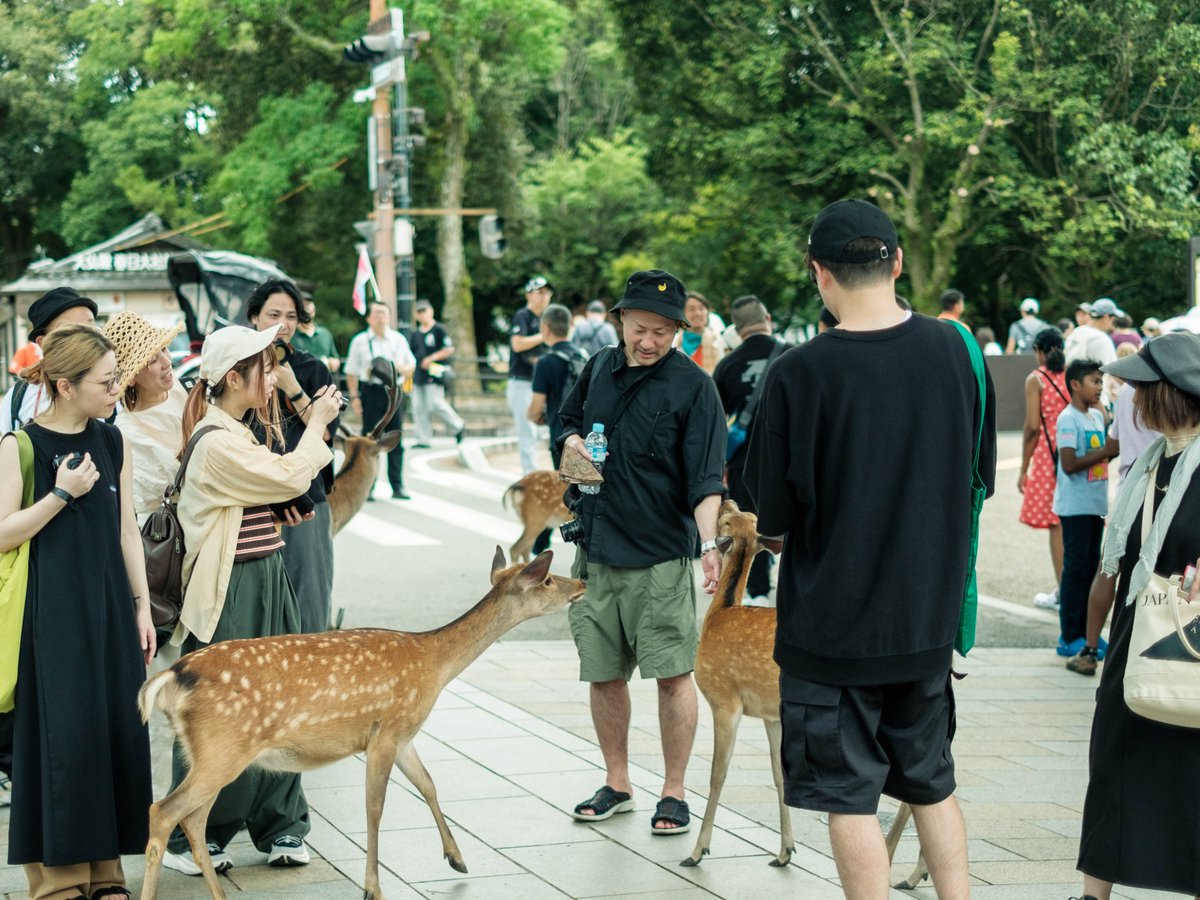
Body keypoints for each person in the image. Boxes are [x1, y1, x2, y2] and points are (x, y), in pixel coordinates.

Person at [744, 199, 996, 898]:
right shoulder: (955, 351)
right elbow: (979, 477)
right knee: (931, 783)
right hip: (925, 620)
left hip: (832, 630)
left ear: (818, 273)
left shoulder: (796, 375)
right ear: (898, 263)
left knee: (848, 797)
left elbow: (775, 517)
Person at [162, 324, 342, 876]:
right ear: (234, 378)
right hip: (232, 591)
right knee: (223, 712)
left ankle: (281, 827)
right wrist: (315, 422)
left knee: (285, 705)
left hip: (265, 578)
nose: (272, 375)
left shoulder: (234, 430)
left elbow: (275, 489)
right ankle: (193, 835)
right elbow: (289, 476)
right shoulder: (217, 441)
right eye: (263, 368)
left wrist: (271, 507)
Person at [559, 269, 725, 837]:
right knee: (603, 675)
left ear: (678, 329)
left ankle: (674, 791)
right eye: (639, 327)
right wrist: (573, 450)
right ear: (621, 321)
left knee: (673, 676)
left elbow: (706, 481)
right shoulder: (599, 367)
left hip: (660, 558)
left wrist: (709, 545)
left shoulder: (694, 388)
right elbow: (567, 426)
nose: (648, 341)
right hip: (597, 551)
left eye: (661, 330)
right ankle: (617, 781)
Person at [2, 324, 155, 900]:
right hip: (51, 613)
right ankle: (60, 880)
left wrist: (141, 606)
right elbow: (1, 534)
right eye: (106, 382)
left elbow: (126, 532)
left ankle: (107, 873)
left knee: (113, 732)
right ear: (65, 385)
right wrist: (60, 494)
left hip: (112, 607)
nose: (117, 390)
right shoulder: (20, 446)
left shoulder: (114, 441)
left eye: (117, 379)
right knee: (64, 738)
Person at [1071, 333, 1200, 898]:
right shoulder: (1153, 460)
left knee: (1189, 771)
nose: (1130, 395)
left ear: (1169, 394)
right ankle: (1094, 892)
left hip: (1187, 638)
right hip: (1136, 629)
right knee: (1114, 761)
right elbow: (1117, 558)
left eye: (1141, 386)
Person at [247, 279, 340, 632]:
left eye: (291, 316)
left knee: (309, 599)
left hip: (306, 499)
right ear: (254, 317)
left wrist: (293, 388)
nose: (283, 324)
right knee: (257, 604)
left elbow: (327, 433)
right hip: (253, 498)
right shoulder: (237, 365)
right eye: (273, 314)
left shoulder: (313, 368)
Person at [712, 295, 786, 607]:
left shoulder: (728, 365)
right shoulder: (794, 356)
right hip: (789, 461)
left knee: (751, 525)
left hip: (746, 464)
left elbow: (715, 423)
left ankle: (754, 590)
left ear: (737, 328)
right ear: (767, 317)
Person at [1053, 359, 1117, 662]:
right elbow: (1068, 464)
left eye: (1101, 382)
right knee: (1075, 570)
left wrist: (1107, 451)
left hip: (1094, 505)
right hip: (1075, 507)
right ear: (1075, 385)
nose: (1100, 387)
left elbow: (1104, 454)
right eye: (1094, 381)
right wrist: (1103, 452)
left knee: (1091, 568)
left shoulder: (1094, 415)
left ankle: (1087, 633)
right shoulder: (1069, 419)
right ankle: (1069, 635)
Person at [104, 312, 188, 524]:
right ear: (130, 378)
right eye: (151, 359)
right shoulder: (127, 433)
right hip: (172, 540)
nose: (166, 361)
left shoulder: (182, 389)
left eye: (163, 348)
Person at [1019, 328, 1070, 612]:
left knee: (1056, 525)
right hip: (1077, 454)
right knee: (1076, 524)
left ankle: (1063, 591)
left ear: (1039, 350)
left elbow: (1031, 429)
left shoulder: (1036, 379)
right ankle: (1075, 588)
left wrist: (1023, 468)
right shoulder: (1073, 374)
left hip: (1050, 458)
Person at [0, 287, 98, 433]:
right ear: (43, 342)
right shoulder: (18, 399)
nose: (87, 337)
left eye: (90, 327)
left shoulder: (113, 391)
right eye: (71, 330)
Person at [345, 301, 415, 499]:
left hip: (394, 392)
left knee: (395, 438)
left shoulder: (398, 340)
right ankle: (369, 485)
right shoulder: (360, 341)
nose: (380, 317)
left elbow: (412, 366)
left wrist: (401, 368)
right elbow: (351, 372)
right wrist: (355, 397)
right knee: (370, 440)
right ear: (368, 318)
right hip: (371, 392)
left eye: (384, 313)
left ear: (389, 317)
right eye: (376, 314)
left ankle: (398, 485)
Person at [508, 276, 552, 474]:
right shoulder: (522, 316)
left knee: (537, 431)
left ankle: (535, 473)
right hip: (522, 381)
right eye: (540, 292)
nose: (544, 296)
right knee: (528, 431)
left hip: (540, 383)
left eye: (547, 292)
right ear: (529, 295)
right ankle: (529, 475)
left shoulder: (546, 318)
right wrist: (544, 336)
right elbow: (517, 344)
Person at [408, 299, 465, 448]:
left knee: (435, 404)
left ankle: (457, 425)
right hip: (418, 375)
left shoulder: (439, 329)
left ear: (430, 311)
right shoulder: (415, 334)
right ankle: (423, 438)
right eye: (419, 312)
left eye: (424, 311)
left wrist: (432, 358)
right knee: (418, 407)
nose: (422, 315)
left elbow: (448, 349)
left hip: (435, 373)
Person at [290, 296, 341, 375]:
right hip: (298, 384)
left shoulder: (325, 333)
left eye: (309, 304)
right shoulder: (289, 335)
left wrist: (333, 363)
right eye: (303, 304)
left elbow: (335, 358)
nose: (306, 307)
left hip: (324, 382)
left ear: (314, 309)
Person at [678, 290, 724, 373]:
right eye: (692, 309)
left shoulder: (718, 341)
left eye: (701, 308)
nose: (698, 313)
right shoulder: (675, 343)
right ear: (683, 314)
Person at [1065, 298, 1121, 365]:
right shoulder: (1102, 339)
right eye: (1113, 320)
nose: (1113, 324)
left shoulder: (1075, 333)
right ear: (1106, 317)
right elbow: (1109, 371)